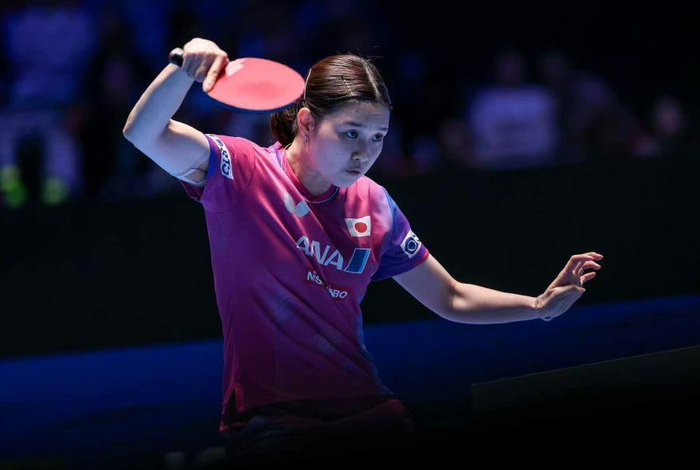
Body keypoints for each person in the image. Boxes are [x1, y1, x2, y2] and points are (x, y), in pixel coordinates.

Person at [123, 38, 604, 467]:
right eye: (350, 133)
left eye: (377, 138)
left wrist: (538, 307)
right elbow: (143, 133)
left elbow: (450, 297)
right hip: (272, 422)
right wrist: (183, 69)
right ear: (307, 122)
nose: (364, 153)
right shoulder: (242, 172)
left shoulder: (374, 203)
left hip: (369, 411)